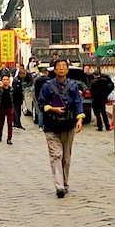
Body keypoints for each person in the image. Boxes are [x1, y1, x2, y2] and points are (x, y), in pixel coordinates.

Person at [37, 59, 84, 198]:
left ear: (67, 70)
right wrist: (52, 109)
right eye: (59, 67)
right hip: (51, 125)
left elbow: (78, 103)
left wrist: (79, 119)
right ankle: (59, 186)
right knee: (56, 155)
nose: (62, 69)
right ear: (55, 70)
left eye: (64, 66)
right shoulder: (47, 86)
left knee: (66, 157)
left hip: (68, 125)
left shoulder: (73, 86)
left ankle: (64, 182)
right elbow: (41, 103)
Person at [0, 74, 15, 144]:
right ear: (2, 81)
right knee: (1, 123)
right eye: (4, 80)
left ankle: (9, 138)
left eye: (7, 80)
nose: (6, 81)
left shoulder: (12, 89)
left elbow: (14, 98)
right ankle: (0, 135)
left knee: (10, 124)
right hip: (1, 108)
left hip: (10, 108)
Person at [12, 64, 30, 129]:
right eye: (24, 74)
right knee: (17, 110)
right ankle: (17, 123)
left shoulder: (19, 79)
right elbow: (16, 90)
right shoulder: (17, 80)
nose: (25, 76)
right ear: (21, 74)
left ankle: (16, 123)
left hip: (17, 97)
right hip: (16, 97)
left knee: (17, 110)